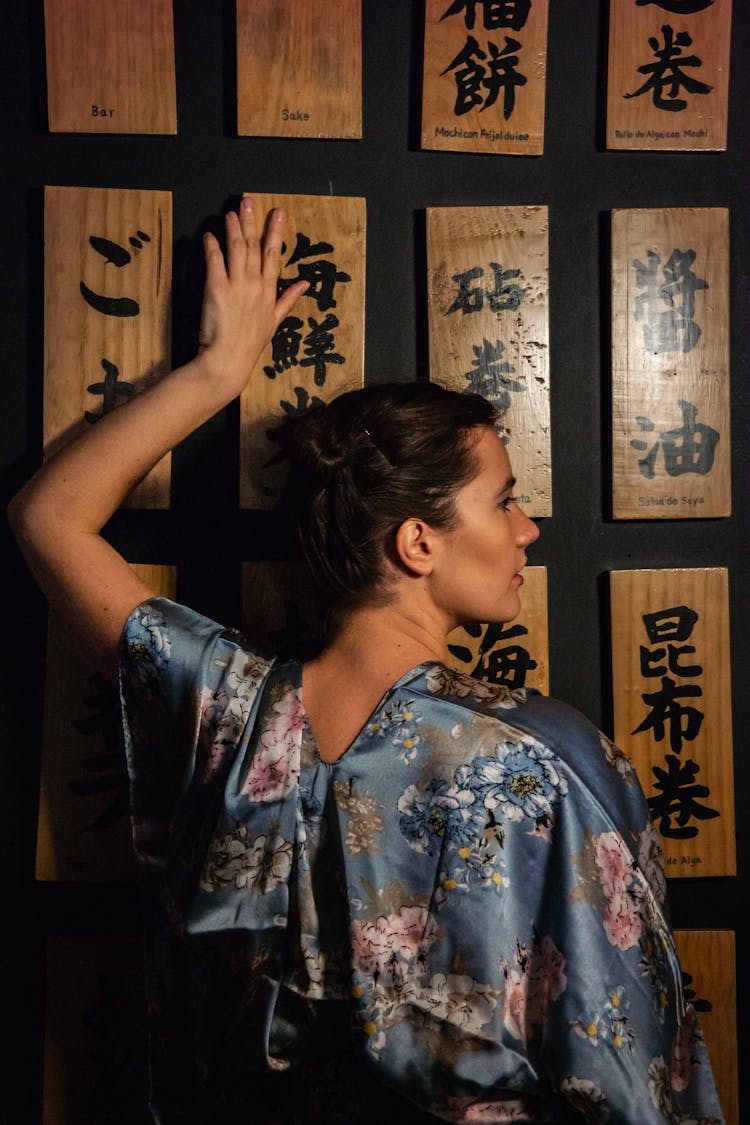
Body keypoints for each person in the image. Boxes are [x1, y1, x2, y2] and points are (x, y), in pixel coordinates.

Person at [9, 200, 724, 1124]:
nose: (528, 528)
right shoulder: (547, 763)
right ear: (419, 542)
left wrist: (217, 371)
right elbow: (633, 1071)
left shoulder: (227, 711)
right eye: (504, 500)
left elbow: (48, 519)